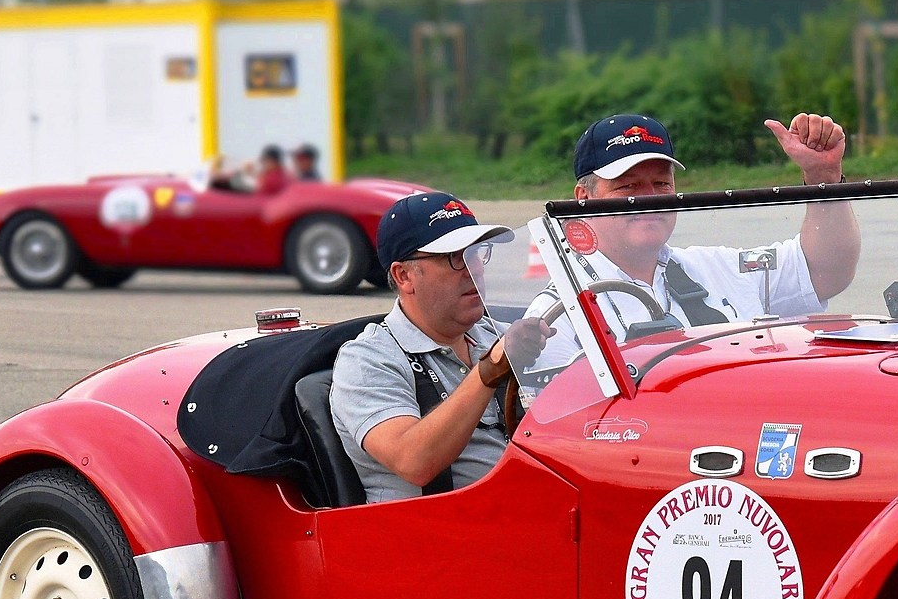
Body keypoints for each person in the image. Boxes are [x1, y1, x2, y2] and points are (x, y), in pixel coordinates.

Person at [524, 111, 860, 371]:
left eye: (661, 184)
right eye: (627, 187)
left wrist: (823, 177)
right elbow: (557, 427)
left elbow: (824, 271)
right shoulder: (558, 312)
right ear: (584, 199)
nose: (650, 199)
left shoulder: (718, 268)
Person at [331, 192, 553, 503]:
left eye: (477, 253)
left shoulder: (496, 335)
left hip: (529, 510)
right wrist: (488, 371)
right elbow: (413, 461)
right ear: (404, 276)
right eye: (455, 257)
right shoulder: (368, 359)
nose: (473, 268)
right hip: (431, 536)